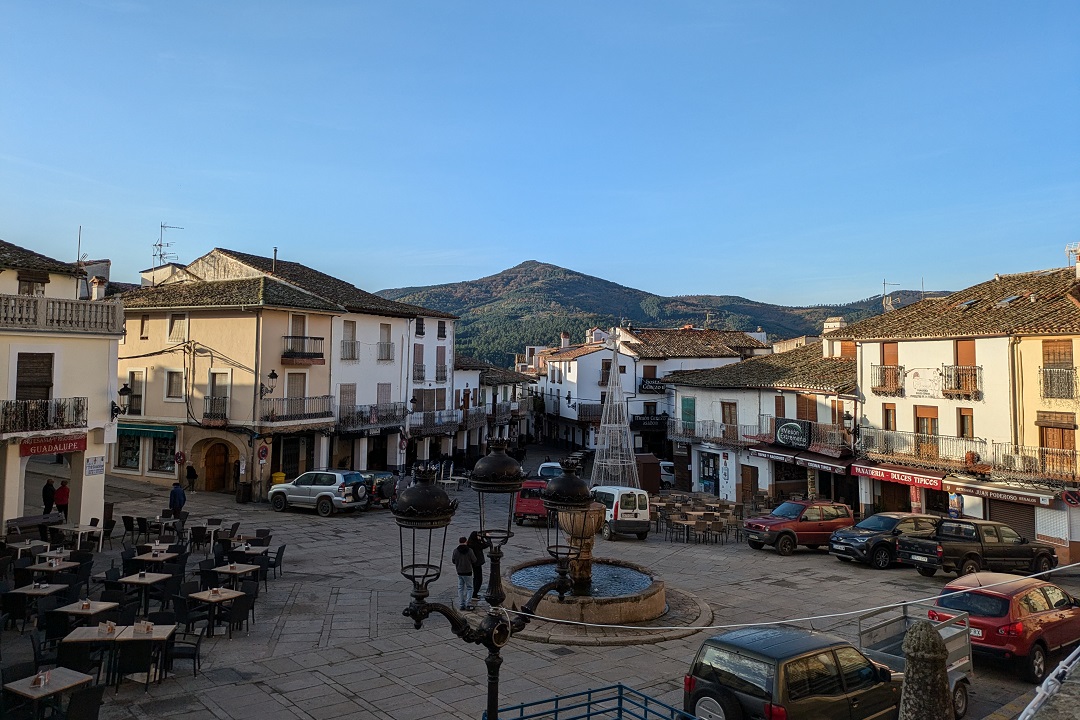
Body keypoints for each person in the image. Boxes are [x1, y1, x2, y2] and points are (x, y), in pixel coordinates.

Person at [451, 536, 477, 611]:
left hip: (459, 572)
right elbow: (474, 560)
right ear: (466, 542)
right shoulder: (469, 550)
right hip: (468, 572)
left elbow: (453, 560)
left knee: (460, 588)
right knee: (469, 588)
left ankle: (461, 604)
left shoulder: (455, 551)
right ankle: (468, 603)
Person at [467, 530, 491, 603]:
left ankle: (474, 593)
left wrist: (481, 539)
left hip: (474, 563)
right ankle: (474, 594)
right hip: (477, 563)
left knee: (476, 578)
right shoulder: (476, 544)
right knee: (479, 579)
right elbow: (487, 544)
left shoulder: (471, 543)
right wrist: (487, 538)